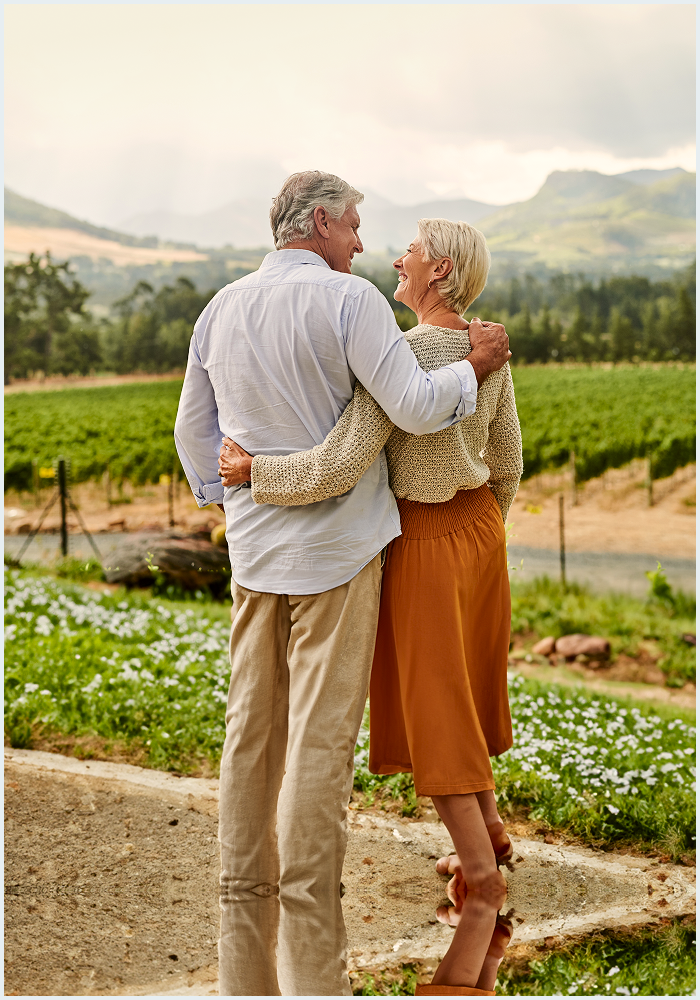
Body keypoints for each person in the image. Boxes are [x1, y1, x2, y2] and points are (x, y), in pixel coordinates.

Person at [174, 172, 511, 997]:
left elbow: (193, 430)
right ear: (320, 222)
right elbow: (417, 411)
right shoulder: (353, 303)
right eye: (355, 224)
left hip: (257, 555)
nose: (362, 242)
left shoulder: (220, 306)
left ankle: (244, 882)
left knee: (251, 724)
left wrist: (235, 497)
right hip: (343, 552)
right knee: (321, 738)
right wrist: (473, 367)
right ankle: (307, 890)